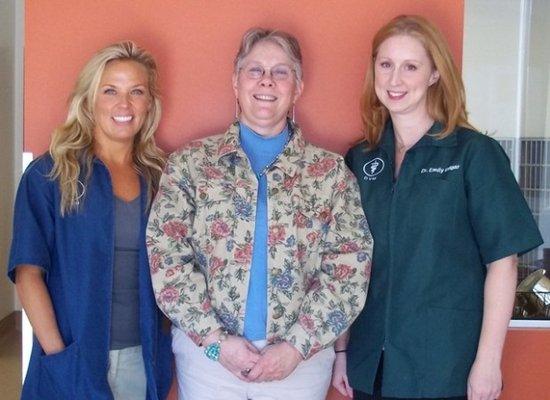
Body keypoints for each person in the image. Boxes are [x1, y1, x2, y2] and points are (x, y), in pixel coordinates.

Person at [147, 28, 372, 400]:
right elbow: (165, 257)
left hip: (299, 364)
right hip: (208, 360)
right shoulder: (191, 165)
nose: (267, 80)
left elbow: (349, 269)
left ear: (297, 87)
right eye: (254, 70)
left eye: (281, 72)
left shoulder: (330, 174)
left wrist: (296, 347)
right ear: (235, 81)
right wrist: (217, 343)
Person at [332, 14, 543, 400]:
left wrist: (488, 361)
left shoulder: (474, 154)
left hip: (444, 366)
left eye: (411, 66)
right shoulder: (361, 159)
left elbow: (504, 262)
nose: (395, 80)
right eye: (386, 64)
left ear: (434, 75)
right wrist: (342, 350)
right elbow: (348, 264)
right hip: (371, 364)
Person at [8, 41, 172, 400]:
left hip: (141, 359)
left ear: (149, 104)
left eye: (136, 92)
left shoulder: (163, 178)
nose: (124, 104)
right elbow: (27, 272)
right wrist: (59, 356)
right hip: (72, 357)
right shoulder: (49, 176)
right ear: (88, 99)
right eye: (110, 90)